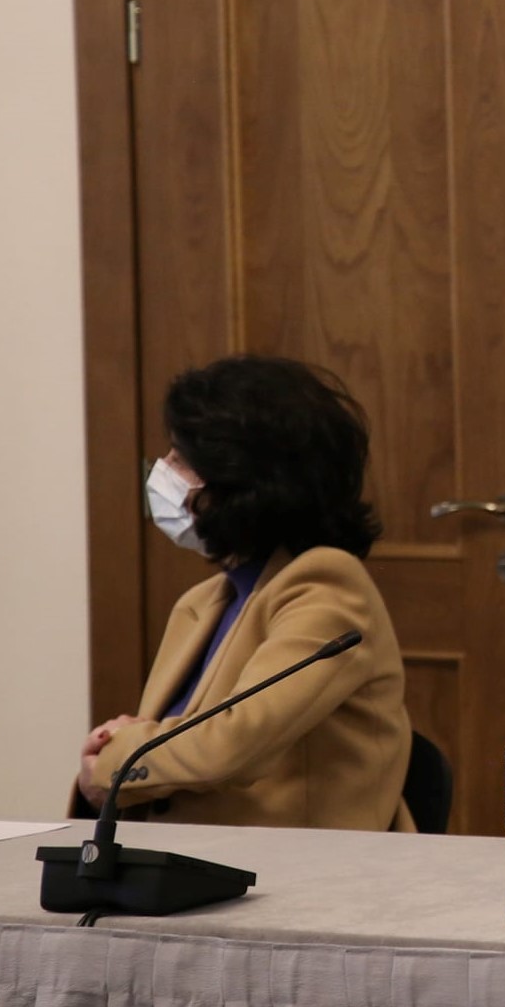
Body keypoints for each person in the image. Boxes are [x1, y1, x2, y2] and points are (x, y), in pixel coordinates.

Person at [74, 355, 414, 831]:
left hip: (293, 866)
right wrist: (113, 755)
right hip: (186, 859)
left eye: (180, 459)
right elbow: (177, 745)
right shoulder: (204, 601)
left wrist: (113, 762)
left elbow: (231, 745)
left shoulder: (325, 586)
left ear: (243, 479)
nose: (161, 472)